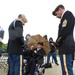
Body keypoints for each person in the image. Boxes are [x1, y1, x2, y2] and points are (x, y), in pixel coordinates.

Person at [52, 4, 75, 75]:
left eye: (56, 14)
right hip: (65, 46)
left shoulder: (67, 15)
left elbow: (64, 31)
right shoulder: (65, 17)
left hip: (65, 46)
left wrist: (57, 43)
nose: (56, 17)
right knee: (65, 69)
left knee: (66, 69)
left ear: (60, 9)